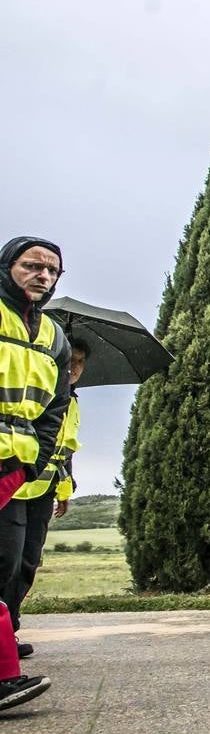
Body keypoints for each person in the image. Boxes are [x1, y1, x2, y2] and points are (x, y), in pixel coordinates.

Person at [0, 236, 70, 708]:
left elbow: (55, 408)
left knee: (8, 568)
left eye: (51, 271)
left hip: (16, 469)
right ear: (8, 267)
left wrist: (33, 462)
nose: (42, 276)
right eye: (32, 266)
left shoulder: (54, 337)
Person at [4, 336, 88, 659]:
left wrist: (63, 490)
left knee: (27, 563)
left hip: (44, 488)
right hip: (16, 482)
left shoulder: (73, 403)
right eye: (71, 361)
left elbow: (65, 451)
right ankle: (5, 637)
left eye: (80, 362)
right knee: (7, 562)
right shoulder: (41, 390)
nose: (75, 367)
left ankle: (8, 629)